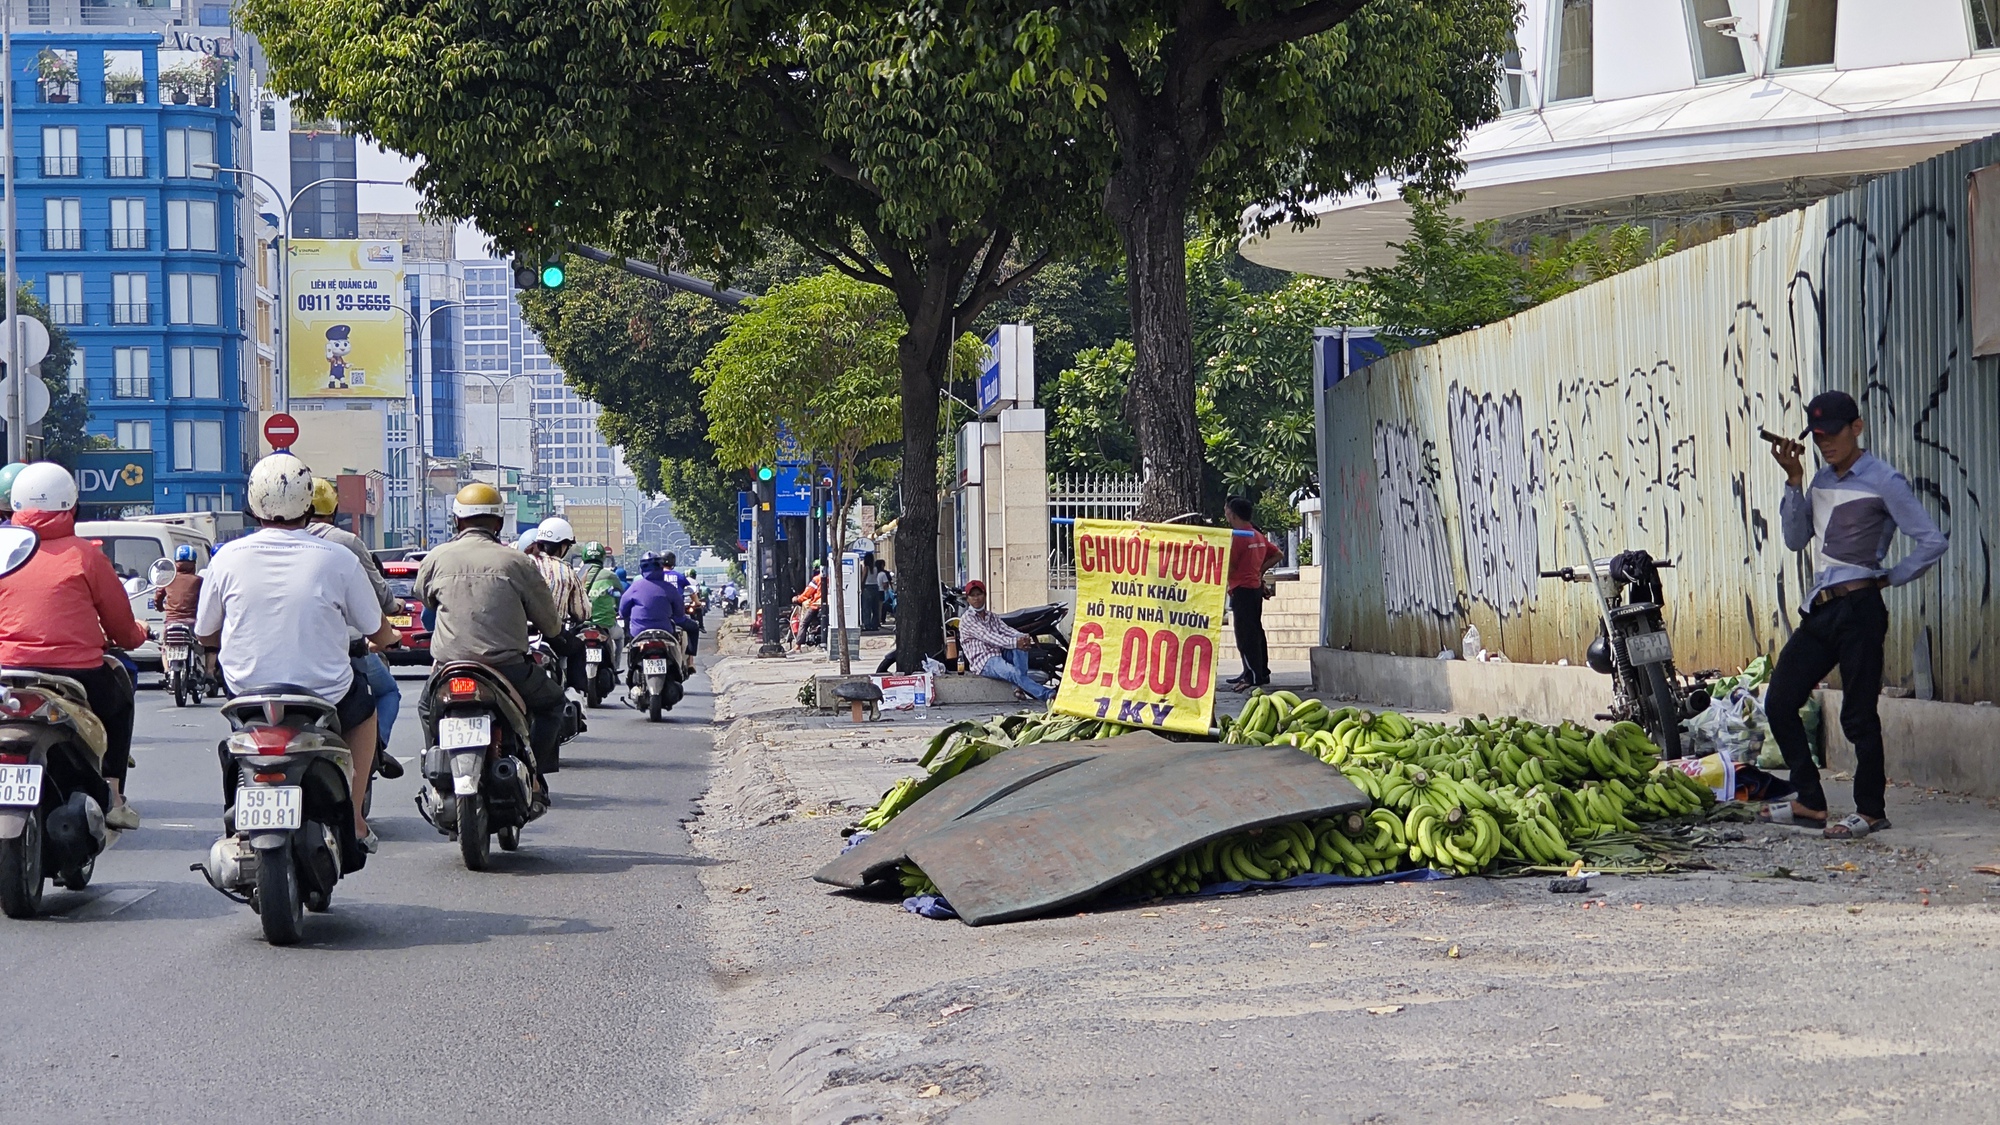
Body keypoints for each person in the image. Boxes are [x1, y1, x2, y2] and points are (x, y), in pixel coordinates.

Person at [1760, 391, 1947, 839]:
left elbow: (1932, 541)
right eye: (1818, 437)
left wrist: (1888, 577)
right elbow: (1794, 539)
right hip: (1821, 610)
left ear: (1856, 428)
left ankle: (1870, 810)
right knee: (1780, 700)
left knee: (1857, 715)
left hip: (1861, 609)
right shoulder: (1820, 480)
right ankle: (1809, 801)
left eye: (1833, 435)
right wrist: (1793, 480)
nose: (1826, 444)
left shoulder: (1885, 480)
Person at [196, 455, 399, 848]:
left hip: (247, 692)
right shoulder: (339, 557)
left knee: (238, 734)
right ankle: (355, 819)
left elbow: (206, 633)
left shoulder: (226, 559)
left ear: (252, 505)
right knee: (366, 712)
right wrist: (388, 640)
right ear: (310, 506)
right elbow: (378, 628)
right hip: (325, 693)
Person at [0, 463, 149, 827]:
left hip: (7, 671)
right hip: (77, 673)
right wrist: (137, 635)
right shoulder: (86, 555)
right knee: (120, 701)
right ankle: (113, 794)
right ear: (72, 507)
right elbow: (121, 627)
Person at [416, 485, 567, 789]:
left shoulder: (436, 558)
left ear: (457, 521)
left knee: (425, 707)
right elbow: (549, 623)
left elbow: (424, 598)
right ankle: (535, 775)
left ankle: (436, 764)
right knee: (553, 703)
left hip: (450, 667)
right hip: (507, 667)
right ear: (498, 523)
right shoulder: (517, 562)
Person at [306, 477, 405, 779]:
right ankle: (374, 752)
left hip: (265, 671)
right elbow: (377, 597)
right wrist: (392, 615)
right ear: (334, 511)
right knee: (386, 693)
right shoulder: (345, 546)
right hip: (344, 649)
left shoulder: (257, 550)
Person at [956, 580, 1051, 702]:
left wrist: (1023, 637)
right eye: (972, 596)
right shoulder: (967, 620)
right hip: (985, 661)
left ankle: (1018, 685)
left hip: (999, 654)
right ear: (968, 599)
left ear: (985, 595)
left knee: (1019, 644)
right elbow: (989, 636)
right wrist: (1015, 643)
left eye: (979, 594)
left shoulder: (992, 616)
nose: (976, 598)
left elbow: (1007, 630)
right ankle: (1048, 695)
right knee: (1013, 672)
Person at [1224, 497, 1282, 692]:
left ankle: (1253, 676)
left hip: (1241, 589)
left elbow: (1230, 567)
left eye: (1226, 512)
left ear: (1232, 514)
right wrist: (1259, 572)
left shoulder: (1239, 537)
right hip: (1254, 588)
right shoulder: (1256, 535)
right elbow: (1277, 554)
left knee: (1245, 635)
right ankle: (1258, 672)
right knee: (1256, 631)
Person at [526, 517, 590, 691]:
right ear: (562, 546)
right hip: (552, 633)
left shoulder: (523, 563)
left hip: (519, 633)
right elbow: (583, 611)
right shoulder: (566, 570)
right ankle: (576, 694)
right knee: (577, 648)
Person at [151, 544, 219, 687]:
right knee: (209, 644)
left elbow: (157, 597)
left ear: (175, 562)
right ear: (193, 563)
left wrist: (160, 607)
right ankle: (209, 672)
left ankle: (167, 672)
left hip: (171, 622)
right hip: (192, 622)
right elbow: (206, 599)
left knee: (165, 647)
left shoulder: (168, 579)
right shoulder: (198, 581)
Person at [619, 552, 697, 660]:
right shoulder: (670, 587)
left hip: (638, 632)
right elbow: (679, 613)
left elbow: (623, 611)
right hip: (665, 631)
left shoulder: (635, 586)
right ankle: (689, 659)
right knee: (694, 627)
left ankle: (630, 672)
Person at [579, 541, 627, 656]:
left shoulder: (577, 575)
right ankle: (615, 667)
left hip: (581, 625)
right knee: (620, 637)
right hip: (606, 625)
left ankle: (565, 672)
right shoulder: (610, 576)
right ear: (603, 557)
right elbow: (621, 597)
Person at [660, 552, 703, 657]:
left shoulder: (655, 577)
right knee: (694, 627)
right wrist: (697, 603)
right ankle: (690, 658)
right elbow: (692, 593)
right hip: (677, 617)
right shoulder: (679, 577)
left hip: (658, 616)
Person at [791, 562, 824, 649]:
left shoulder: (817, 579)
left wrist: (798, 599)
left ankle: (798, 645)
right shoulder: (833, 577)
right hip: (829, 604)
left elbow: (807, 593)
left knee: (803, 623)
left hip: (817, 605)